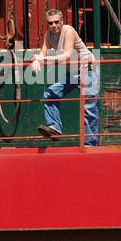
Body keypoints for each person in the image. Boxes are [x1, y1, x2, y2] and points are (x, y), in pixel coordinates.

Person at [31, 8, 100, 146]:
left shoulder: (68, 31)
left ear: (62, 21)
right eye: (50, 23)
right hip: (74, 71)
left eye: (57, 22)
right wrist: (36, 60)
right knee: (50, 94)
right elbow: (42, 53)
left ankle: (91, 144)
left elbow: (67, 55)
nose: (54, 25)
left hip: (88, 68)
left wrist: (42, 60)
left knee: (89, 107)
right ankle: (55, 127)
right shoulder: (48, 35)